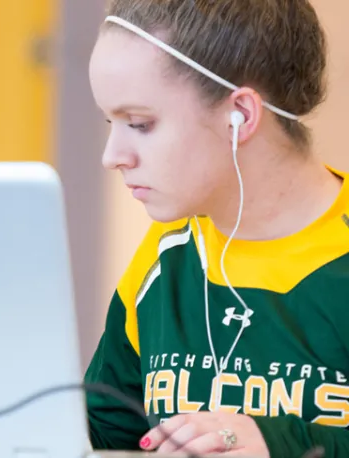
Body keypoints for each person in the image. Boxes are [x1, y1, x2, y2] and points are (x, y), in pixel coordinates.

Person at [83, 0, 349, 456]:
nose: (113, 156)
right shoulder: (166, 254)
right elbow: (102, 434)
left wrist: (279, 443)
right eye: (112, 123)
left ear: (241, 115)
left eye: (140, 124)